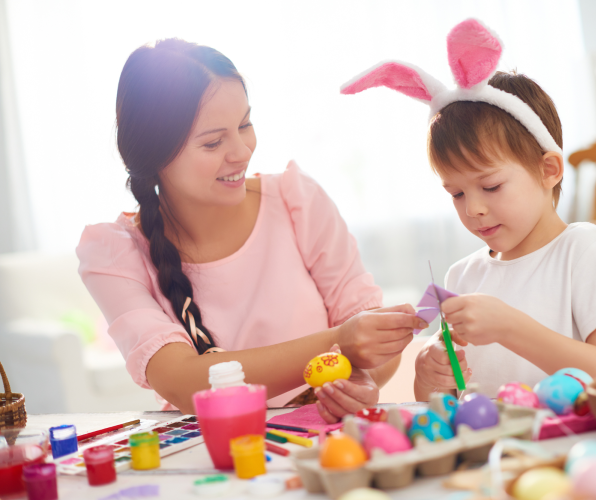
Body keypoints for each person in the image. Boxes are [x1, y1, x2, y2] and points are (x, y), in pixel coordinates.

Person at [76, 39, 425, 418]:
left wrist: (362, 381)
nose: (241, 151)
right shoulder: (114, 254)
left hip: (323, 444)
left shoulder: (297, 201)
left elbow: (367, 341)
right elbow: (183, 382)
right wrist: (337, 341)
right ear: (154, 156)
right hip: (215, 455)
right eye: (213, 142)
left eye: (245, 124)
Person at [339, 19, 596, 401]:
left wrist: (511, 328)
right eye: (456, 194)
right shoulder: (461, 276)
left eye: (491, 186)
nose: (475, 209)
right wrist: (430, 375)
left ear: (547, 170)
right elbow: (443, 402)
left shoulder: (581, 250)